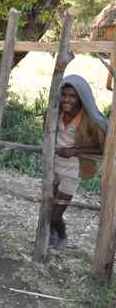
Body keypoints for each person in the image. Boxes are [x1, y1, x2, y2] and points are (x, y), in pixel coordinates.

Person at [50, 75, 106, 251]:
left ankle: (62, 236)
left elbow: (104, 149)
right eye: (64, 95)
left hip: (74, 168)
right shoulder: (55, 112)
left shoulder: (90, 120)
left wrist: (74, 151)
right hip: (53, 164)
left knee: (56, 212)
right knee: (49, 206)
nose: (67, 100)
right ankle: (49, 235)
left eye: (72, 96)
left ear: (81, 98)